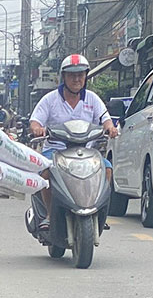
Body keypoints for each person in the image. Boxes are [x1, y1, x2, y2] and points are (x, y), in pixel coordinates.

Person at [29, 54, 118, 231]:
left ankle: (99, 212)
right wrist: (38, 128)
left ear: (86, 76)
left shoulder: (92, 98)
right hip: (55, 151)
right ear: (64, 77)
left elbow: (105, 119)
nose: (77, 79)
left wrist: (110, 128)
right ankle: (49, 213)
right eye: (72, 75)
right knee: (45, 172)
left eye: (80, 75)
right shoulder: (50, 99)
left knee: (107, 169)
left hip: (86, 152)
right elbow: (35, 121)